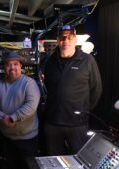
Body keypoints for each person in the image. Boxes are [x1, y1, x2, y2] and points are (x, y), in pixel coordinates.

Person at [0, 51, 41, 169]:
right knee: (12, 167)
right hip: (8, 136)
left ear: (21, 66)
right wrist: (1, 117)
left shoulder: (29, 83)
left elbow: (31, 106)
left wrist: (12, 118)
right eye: (9, 65)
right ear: (4, 68)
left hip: (27, 138)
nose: (12, 68)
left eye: (16, 64)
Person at [43, 25, 102, 155]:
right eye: (62, 38)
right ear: (58, 41)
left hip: (77, 125)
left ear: (75, 39)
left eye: (69, 38)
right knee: (54, 163)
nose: (66, 41)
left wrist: (83, 111)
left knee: (79, 164)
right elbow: (48, 86)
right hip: (53, 123)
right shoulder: (49, 61)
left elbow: (96, 89)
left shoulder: (87, 60)